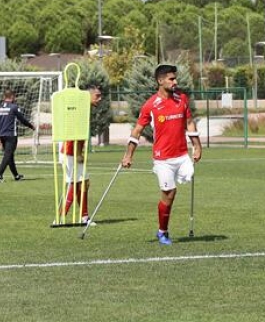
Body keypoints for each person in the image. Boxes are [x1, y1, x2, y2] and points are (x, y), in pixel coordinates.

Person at [122, 64, 202, 245]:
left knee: (179, 186)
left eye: (175, 78)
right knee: (169, 192)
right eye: (171, 79)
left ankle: (162, 230)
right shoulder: (150, 105)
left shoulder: (181, 99)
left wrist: (197, 146)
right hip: (162, 158)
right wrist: (128, 155)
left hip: (182, 155)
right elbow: (137, 131)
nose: (175, 81)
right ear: (160, 81)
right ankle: (162, 232)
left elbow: (189, 123)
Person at [58, 87, 103, 224]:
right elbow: (75, 133)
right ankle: (61, 216)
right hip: (70, 151)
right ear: (87, 96)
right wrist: (78, 153)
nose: (99, 99)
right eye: (97, 96)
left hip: (70, 151)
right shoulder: (81, 110)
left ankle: (84, 217)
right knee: (78, 183)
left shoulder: (81, 109)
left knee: (82, 183)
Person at [0, 89, 35, 183]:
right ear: (12, 97)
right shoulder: (14, 107)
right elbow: (22, 119)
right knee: (7, 155)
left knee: (10, 156)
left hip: (1, 135)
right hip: (11, 135)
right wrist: (31, 126)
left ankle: (16, 176)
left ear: (4, 97)